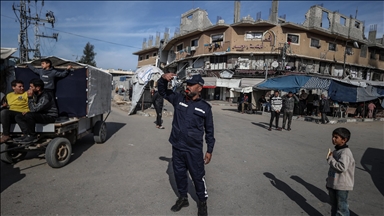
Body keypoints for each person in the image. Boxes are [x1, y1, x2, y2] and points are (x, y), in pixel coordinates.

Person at [158, 73, 215, 216]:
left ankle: (202, 202)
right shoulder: (178, 99)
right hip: (177, 146)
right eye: (187, 84)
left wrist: (209, 150)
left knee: (197, 176)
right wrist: (163, 79)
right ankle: (183, 198)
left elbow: (209, 131)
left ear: (200, 87)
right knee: (179, 174)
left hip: (193, 150)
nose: (187, 87)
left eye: (191, 85)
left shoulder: (205, 108)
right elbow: (163, 92)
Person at [13, 79, 58, 144]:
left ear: (38, 88)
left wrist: (30, 98)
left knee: (29, 115)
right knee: (18, 116)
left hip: (49, 116)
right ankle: (26, 134)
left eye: (31, 87)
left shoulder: (45, 97)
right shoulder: (35, 94)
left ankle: (32, 136)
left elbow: (34, 110)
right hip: (39, 114)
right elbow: (32, 108)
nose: (29, 88)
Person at [326, 127, 355, 216]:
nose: (333, 139)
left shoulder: (345, 152)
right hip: (334, 183)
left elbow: (342, 167)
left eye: (336, 137)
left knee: (342, 208)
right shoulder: (336, 151)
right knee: (334, 207)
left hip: (341, 186)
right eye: (333, 136)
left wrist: (330, 159)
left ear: (344, 140)